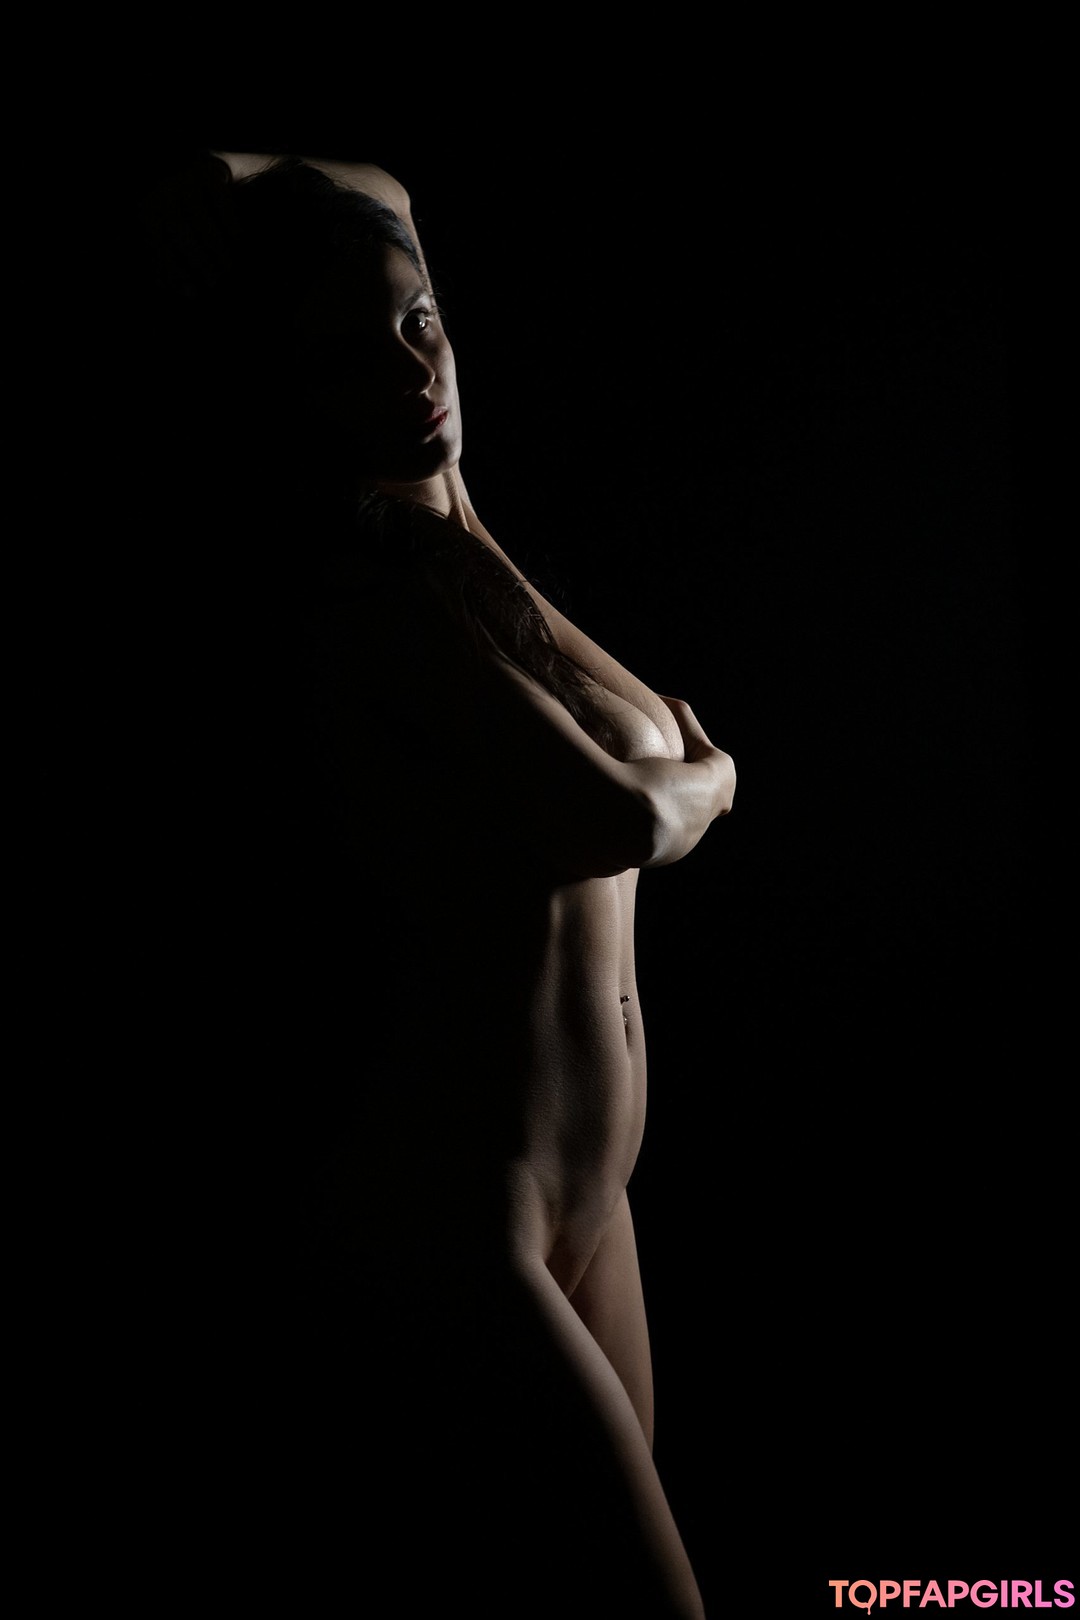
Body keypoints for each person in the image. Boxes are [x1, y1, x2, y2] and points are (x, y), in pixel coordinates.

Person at [136, 149, 735, 1617]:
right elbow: (620, 814)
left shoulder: (473, 553)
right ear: (295, 392)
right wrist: (714, 779)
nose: (414, 372)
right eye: (355, 355)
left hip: (595, 1198)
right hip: (472, 1223)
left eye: (423, 323)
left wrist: (234, 168)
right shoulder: (376, 598)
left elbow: (382, 186)